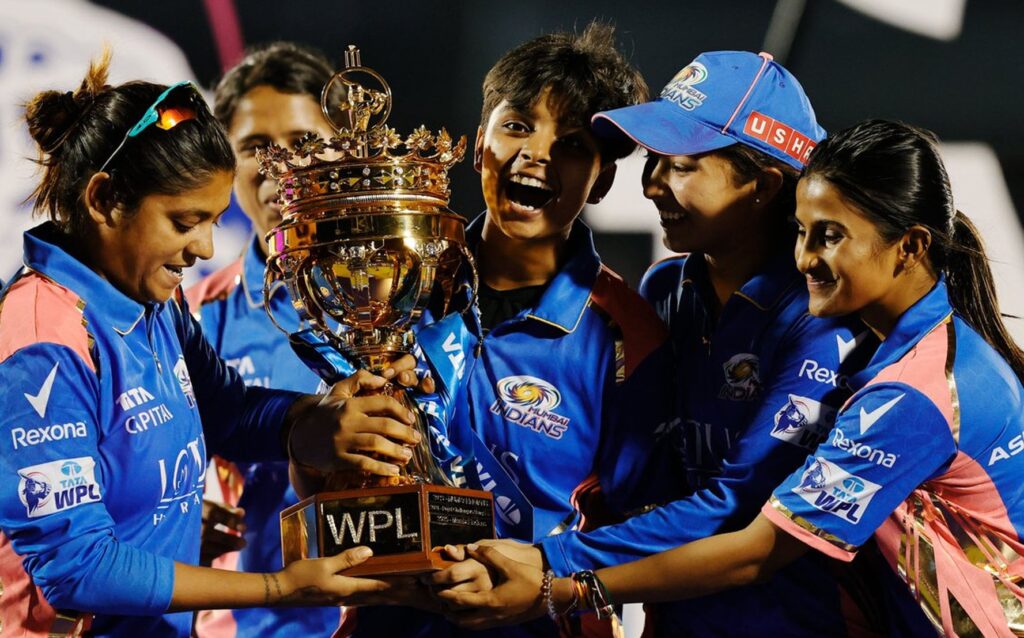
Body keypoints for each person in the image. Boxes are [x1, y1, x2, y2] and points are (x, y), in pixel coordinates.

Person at [439, 119, 1024, 637]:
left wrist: (557, 581)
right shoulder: (909, 356)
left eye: (829, 236)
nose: (805, 258)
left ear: (911, 246)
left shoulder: (912, 391)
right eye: (801, 232)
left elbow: (757, 549)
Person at [433, 51, 886, 637]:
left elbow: (736, 510)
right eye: (653, 161)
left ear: (763, 186)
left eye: (682, 166)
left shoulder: (821, 319)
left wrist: (549, 564)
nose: (651, 186)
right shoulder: (666, 289)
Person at [0, 52, 418, 637]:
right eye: (184, 221)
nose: (203, 248)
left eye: (214, 222)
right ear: (103, 199)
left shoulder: (152, 299)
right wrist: (281, 587)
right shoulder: (42, 340)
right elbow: (77, 569)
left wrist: (316, 418)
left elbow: (225, 410)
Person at [344, 22, 677, 638]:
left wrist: (541, 574)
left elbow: (650, 530)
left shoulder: (630, 337)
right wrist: (318, 440)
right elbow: (333, 482)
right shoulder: (385, 293)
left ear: (603, 180)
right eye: (518, 126)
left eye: (571, 144)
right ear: (479, 146)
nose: (537, 153)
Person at [186, 42, 360, 638]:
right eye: (256, 146)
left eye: (304, 141)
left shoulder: (417, 301)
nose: (281, 165)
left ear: (346, 149)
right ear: (224, 164)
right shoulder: (190, 318)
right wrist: (176, 517)